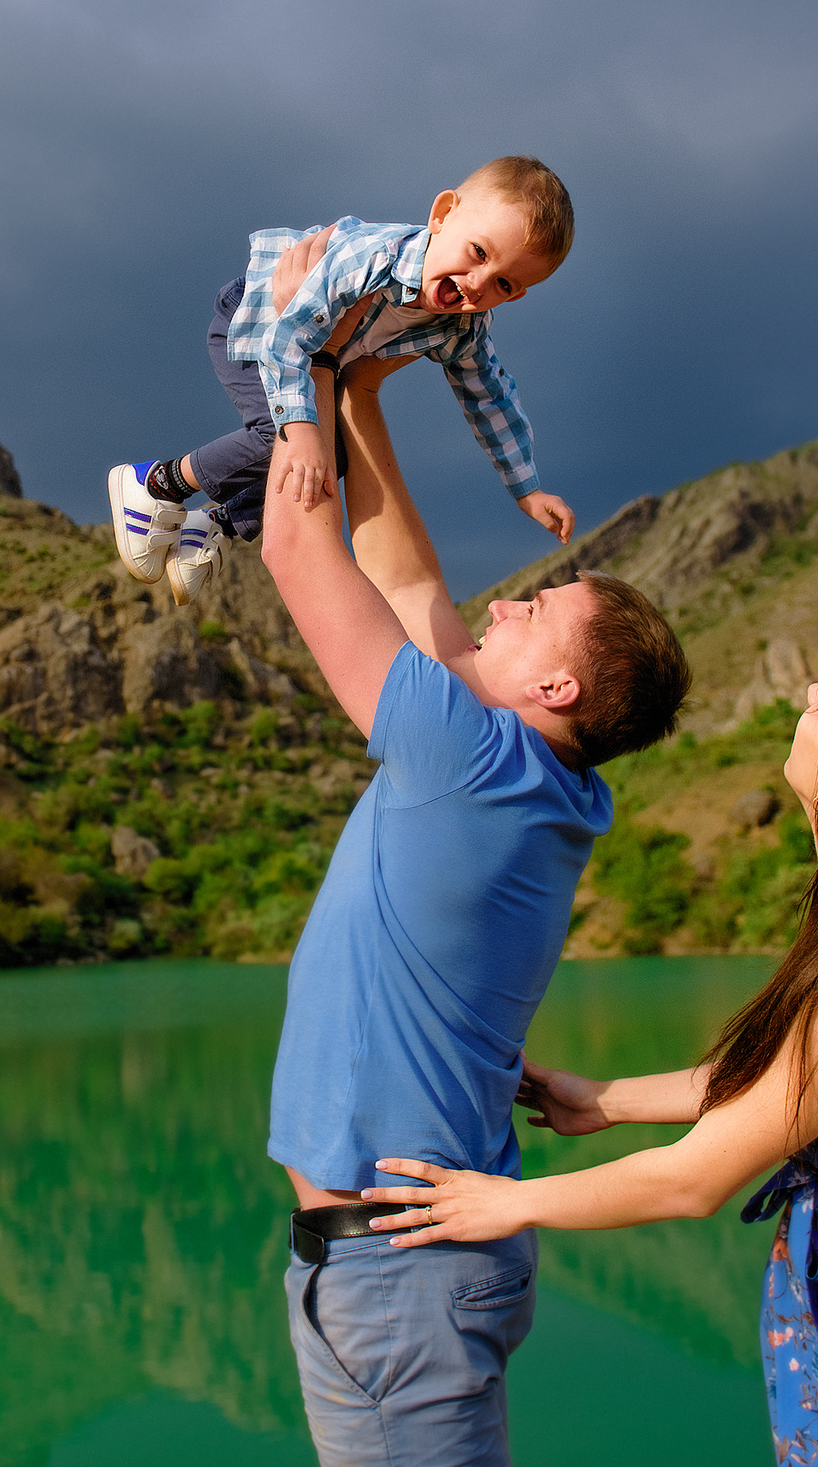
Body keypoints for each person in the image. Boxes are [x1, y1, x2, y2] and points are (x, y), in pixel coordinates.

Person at [358, 645, 818, 1467]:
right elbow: (799, 1085)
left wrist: (506, 1203)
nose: (811, 688)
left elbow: (694, 1179)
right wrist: (605, 1098)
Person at [258, 355, 689, 1467]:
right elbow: (407, 581)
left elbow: (295, 547)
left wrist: (302, 358)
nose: (503, 600)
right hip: (412, 1262)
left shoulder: (470, 757)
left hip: (395, 1271)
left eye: (534, 611)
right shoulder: (546, 780)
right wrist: (361, 403)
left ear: (555, 690)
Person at [108, 156, 581, 606]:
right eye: (478, 252)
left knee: (328, 457)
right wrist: (302, 431)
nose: (478, 283)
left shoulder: (465, 327)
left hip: (309, 357)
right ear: (442, 215)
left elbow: (491, 399)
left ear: (515, 296)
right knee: (288, 437)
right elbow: (287, 340)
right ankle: (157, 483)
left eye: (503, 284)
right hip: (259, 320)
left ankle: (216, 523)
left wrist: (528, 489)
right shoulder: (371, 258)